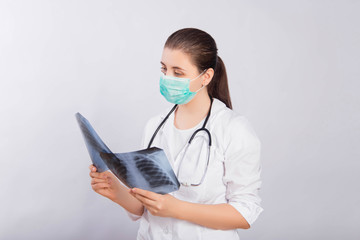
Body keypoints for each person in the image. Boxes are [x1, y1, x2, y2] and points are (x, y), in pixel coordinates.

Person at [88, 27, 263, 239]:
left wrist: (177, 208)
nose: (168, 78)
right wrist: (116, 191)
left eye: (178, 72)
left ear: (206, 76)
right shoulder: (155, 126)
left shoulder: (233, 129)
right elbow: (146, 207)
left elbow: (244, 212)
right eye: (164, 70)